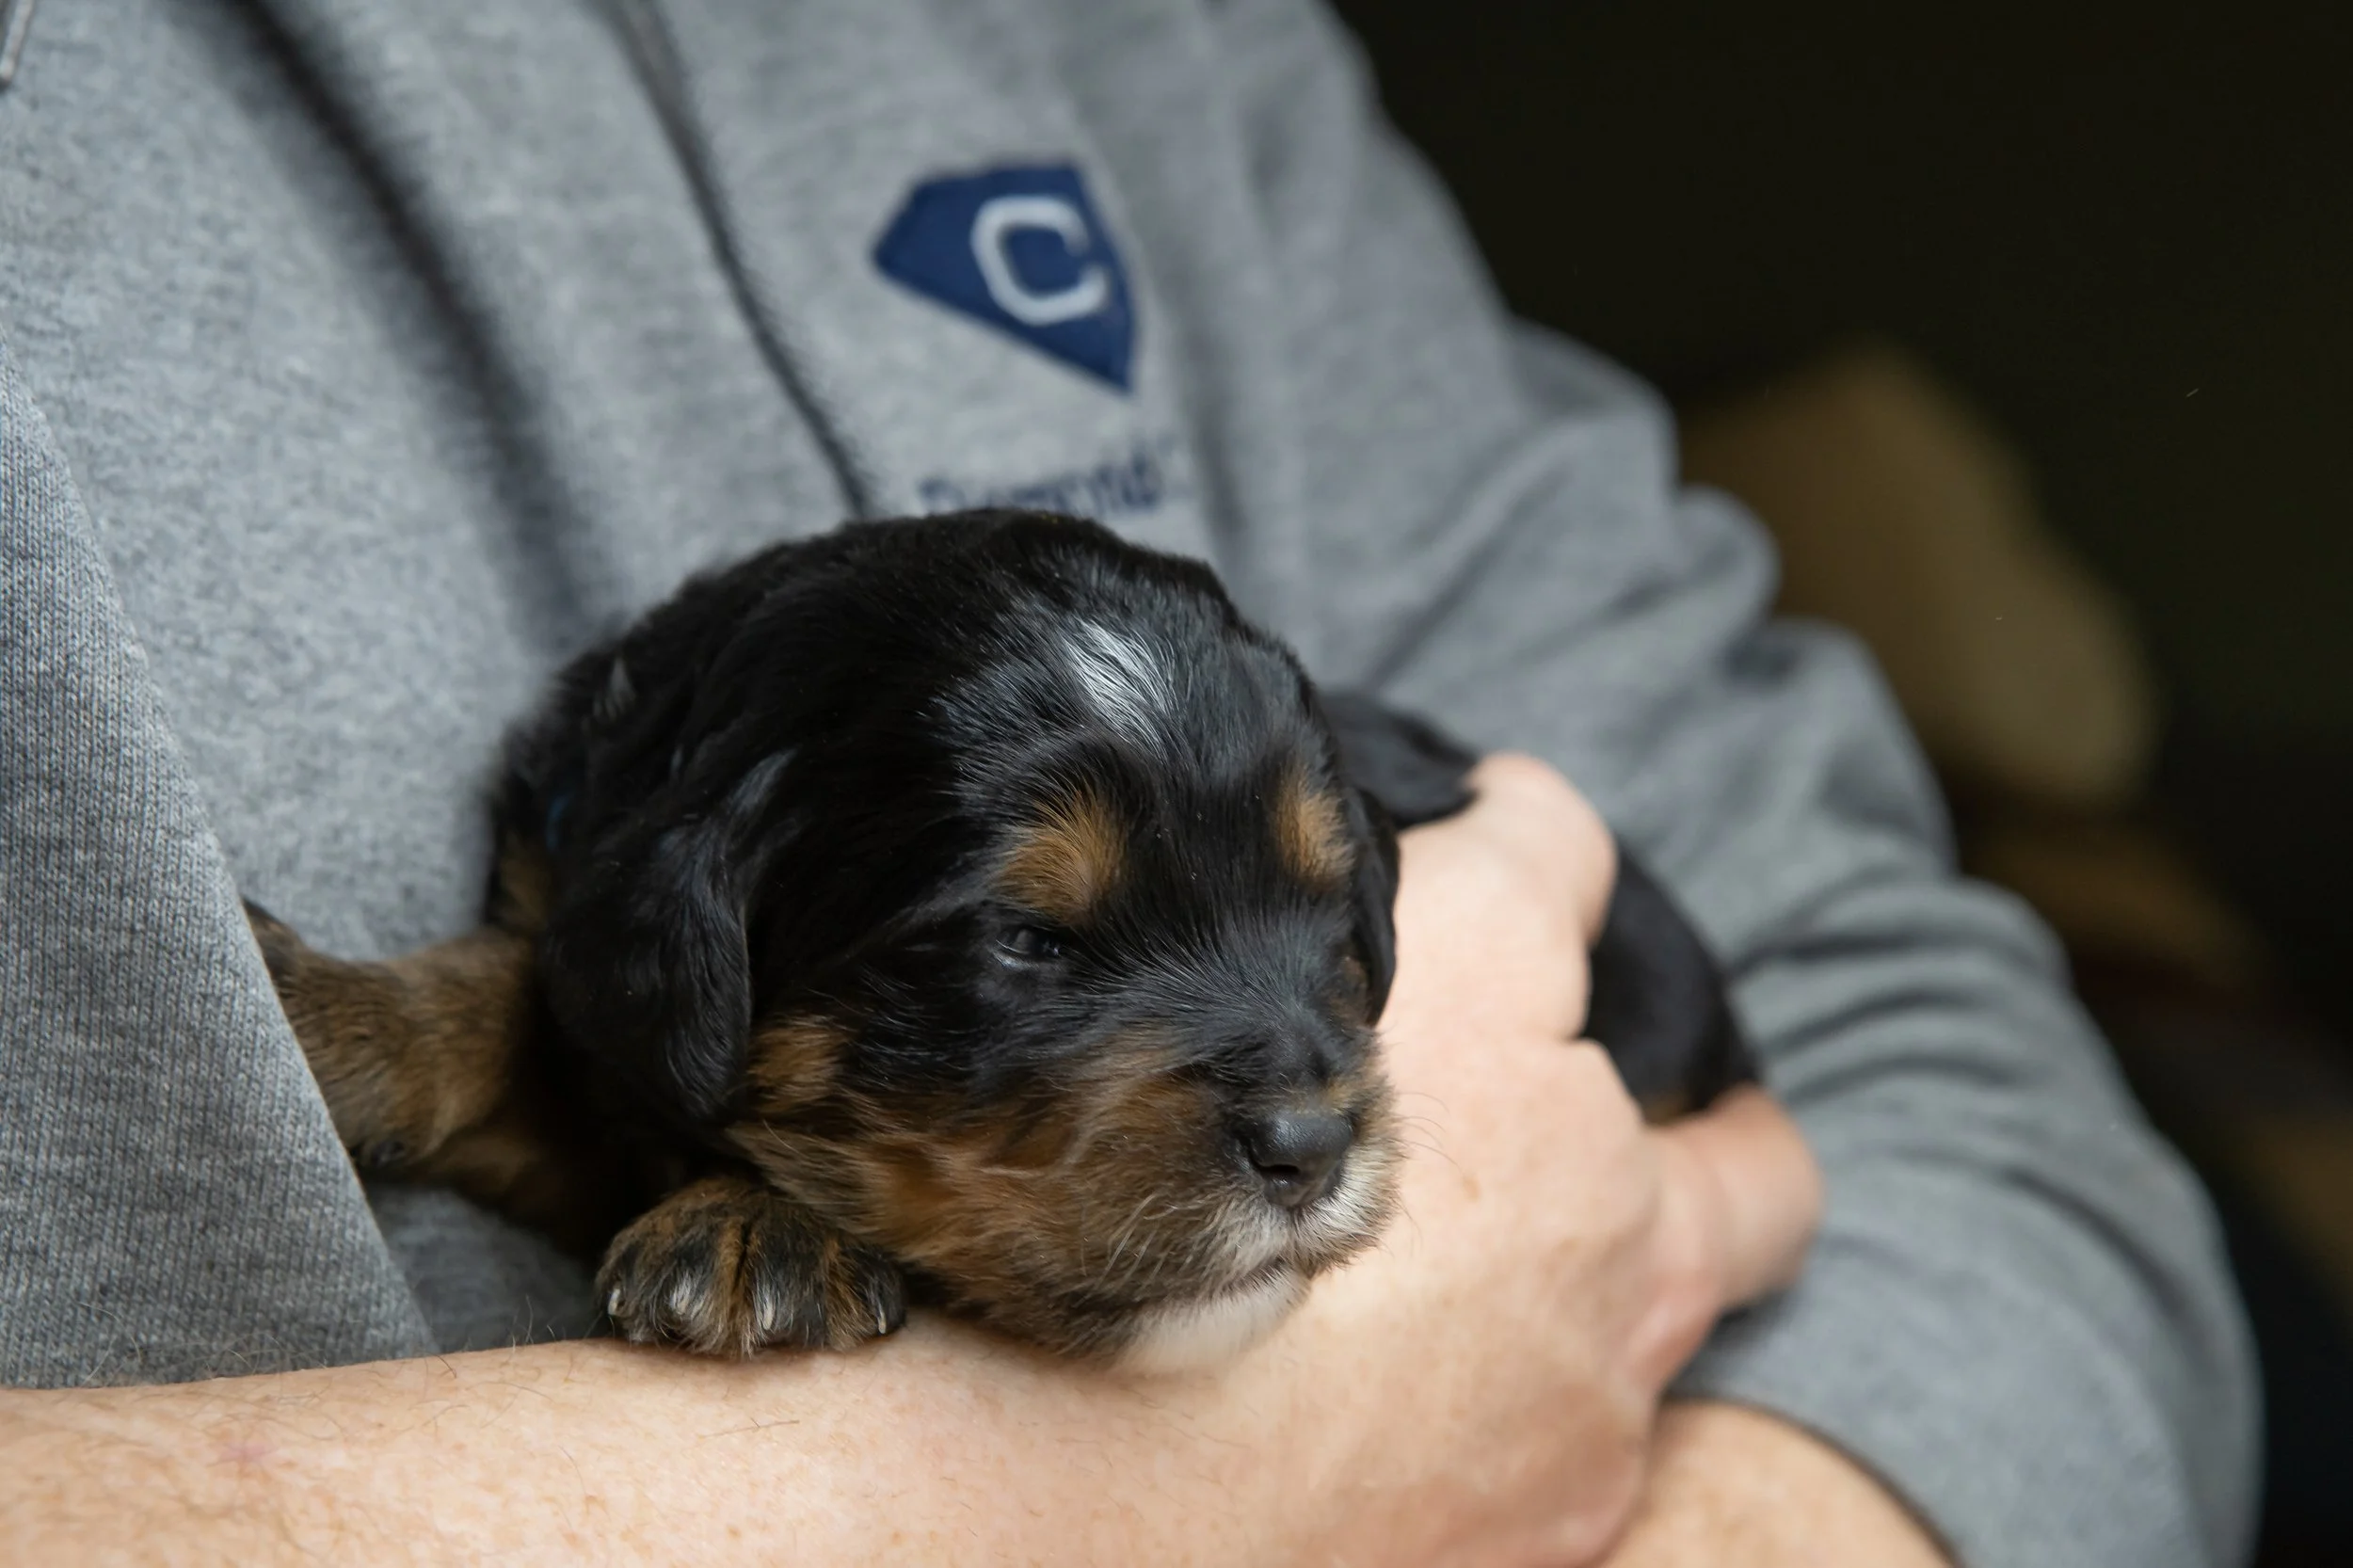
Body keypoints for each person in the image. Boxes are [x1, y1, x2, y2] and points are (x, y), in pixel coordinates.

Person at [0, 1, 2254, 1563]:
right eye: (1022, 938)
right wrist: (1051, 1509)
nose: (1302, 1095)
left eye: (1327, 918)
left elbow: (1949, 1105)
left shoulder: (1163, 52)